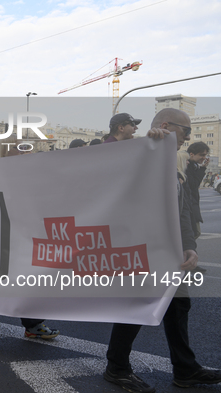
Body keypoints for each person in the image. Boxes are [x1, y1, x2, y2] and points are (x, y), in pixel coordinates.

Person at [103, 109, 221, 392]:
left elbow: (179, 208)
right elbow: (109, 175)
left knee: (179, 305)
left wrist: (189, 246)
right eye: (186, 132)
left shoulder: (172, 161)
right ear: (167, 126)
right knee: (137, 305)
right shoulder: (140, 153)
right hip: (143, 248)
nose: (189, 138)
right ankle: (116, 367)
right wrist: (147, 142)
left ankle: (185, 369)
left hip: (169, 251)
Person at [183, 142, 210, 239]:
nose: (204, 157)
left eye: (205, 155)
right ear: (191, 154)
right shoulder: (187, 166)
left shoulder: (193, 165)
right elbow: (193, 185)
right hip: (189, 206)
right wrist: (202, 169)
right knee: (195, 233)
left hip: (191, 205)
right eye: (202, 155)